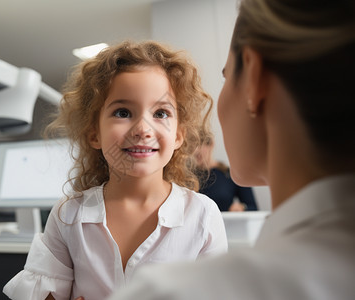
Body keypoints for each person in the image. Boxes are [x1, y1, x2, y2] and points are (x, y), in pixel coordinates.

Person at [107, 0, 355, 299]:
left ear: (253, 76)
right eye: (122, 112)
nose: (143, 129)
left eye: (225, 76)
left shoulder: (171, 292)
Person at [3, 41, 228, 300]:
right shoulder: (68, 214)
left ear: (178, 135)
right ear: (94, 134)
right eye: (123, 112)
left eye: (161, 113)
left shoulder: (202, 216)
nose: (143, 129)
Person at [195, 134, 257, 211]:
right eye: (191, 146)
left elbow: (253, 207)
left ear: (211, 144)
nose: (195, 150)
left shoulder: (231, 174)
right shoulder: (186, 177)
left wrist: (242, 208)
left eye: (199, 144)